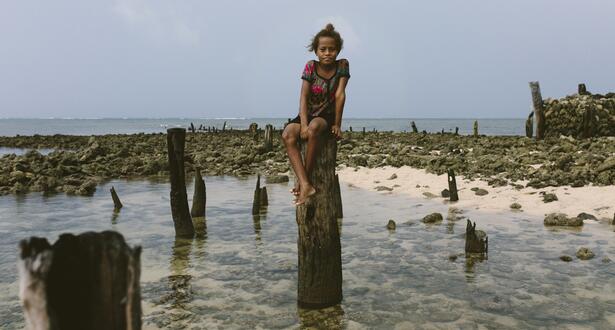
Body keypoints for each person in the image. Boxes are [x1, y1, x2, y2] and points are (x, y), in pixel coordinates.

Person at [282, 23, 350, 205]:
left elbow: (340, 95)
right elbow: (303, 97)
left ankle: (305, 182)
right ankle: (305, 184)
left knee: (313, 129)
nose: (327, 53)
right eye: (323, 49)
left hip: (326, 115)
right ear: (316, 51)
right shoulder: (310, 67)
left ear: (338, 50)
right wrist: (302, 124)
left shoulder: (342, 65)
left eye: (332, 49)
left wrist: (337, 124)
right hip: (308, 113)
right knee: (288, 134)